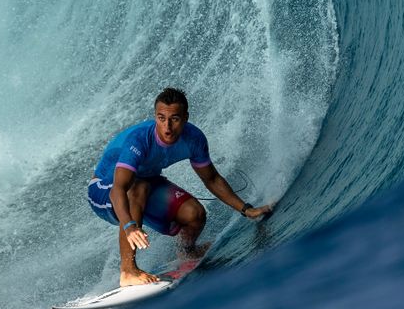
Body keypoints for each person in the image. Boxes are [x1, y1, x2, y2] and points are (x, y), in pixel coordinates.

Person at [86, 87, 272, 286]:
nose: (167, 127)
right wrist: (130, 226)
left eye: (174, 119)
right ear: (155, 117)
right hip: (104, 190)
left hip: (145, 184)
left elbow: (212, 179)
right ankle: (128, 270)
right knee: (137, 188)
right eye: (161, 118)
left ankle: (186, 252)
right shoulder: (140, 140)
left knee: (194, 214)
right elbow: (119, 190)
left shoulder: (194, 139)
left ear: (185, 118)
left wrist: (246, 209)